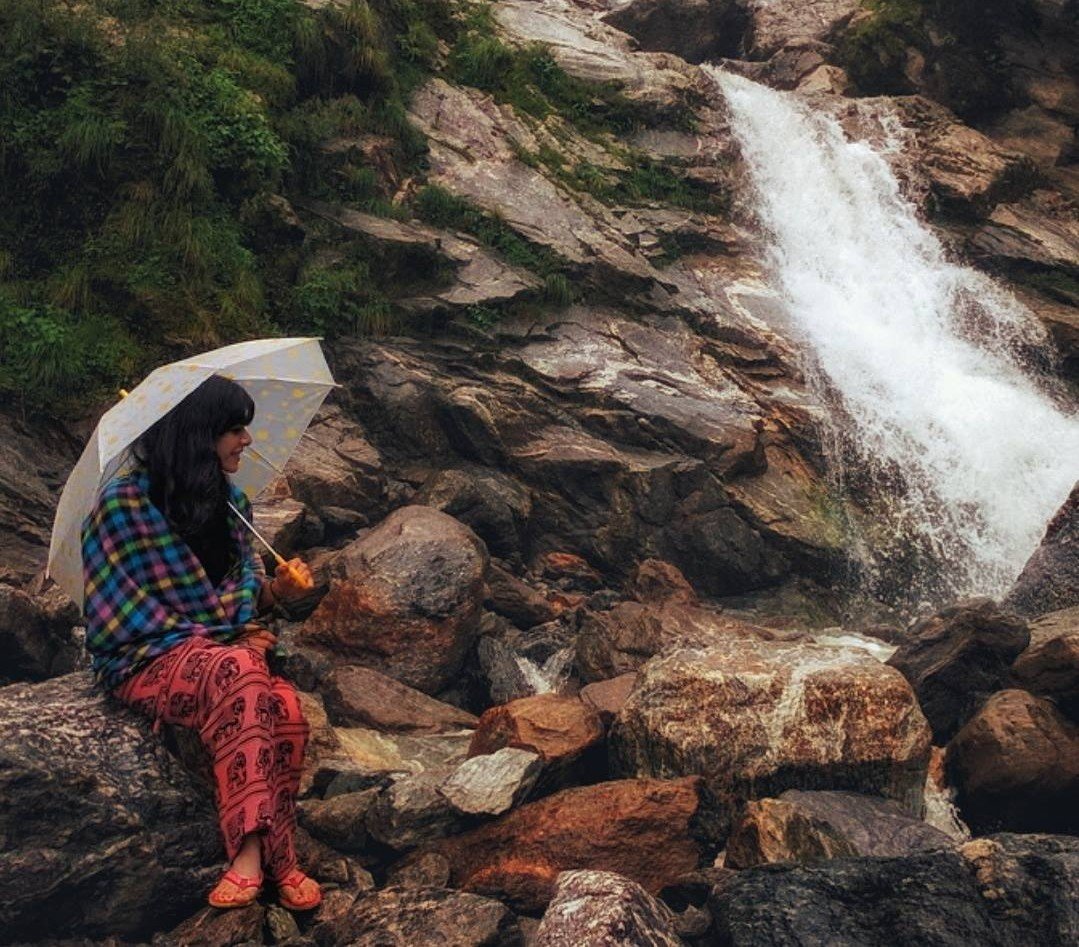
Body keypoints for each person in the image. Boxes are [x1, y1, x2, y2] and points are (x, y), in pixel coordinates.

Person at [81, 374, 321, 911]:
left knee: (285, 706)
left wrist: (276, 593)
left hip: (220, 652)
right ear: (197, 435)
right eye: (234, 430)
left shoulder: (230, 505)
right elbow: (118, 617)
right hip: (145, 657)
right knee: (240, 672)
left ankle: (280, 854)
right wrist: (229, 643)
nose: (246, 440)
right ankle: (251, 852)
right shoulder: (122, 508)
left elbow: (236, 597)